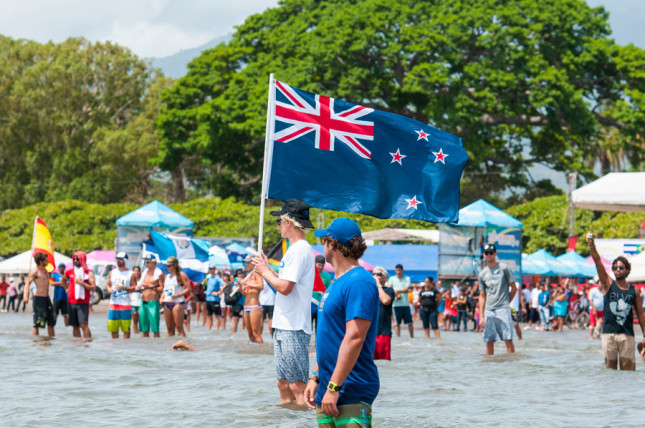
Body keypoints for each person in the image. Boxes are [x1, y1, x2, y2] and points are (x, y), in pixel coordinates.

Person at [304, 218, 379, 425]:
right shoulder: (336, 282)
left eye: (324, 240)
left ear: (333, 244)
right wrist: (315, 377)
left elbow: (354, 337)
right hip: (327, 389)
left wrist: (334, 387)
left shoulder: (359, 281)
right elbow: (329, 336)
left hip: (350, 388)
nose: (322, 246)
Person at [253, 198, 315, 406]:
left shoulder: (299, 250)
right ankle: (286, 421)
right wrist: (267, 269)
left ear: (288, 222)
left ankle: (302, 420)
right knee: (282, 382)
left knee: (297, 385)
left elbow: (285, 288)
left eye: (279, 221)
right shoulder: (294, 249)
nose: (279, 225)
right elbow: (284, 283)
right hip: (284, 323)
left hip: (294, 325)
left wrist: (264, 272)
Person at [587, 232, 645, 370]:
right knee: (610, 370)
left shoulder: (634, 291)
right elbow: (597, 261)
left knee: (628, 371)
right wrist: (591, 245)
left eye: (621, 268)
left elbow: (641, 314)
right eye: (615, 268)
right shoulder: (607, 284)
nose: (617, 270)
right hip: (609, 334)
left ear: (627, 270)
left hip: (627, 335)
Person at [478, 243, 517, 355]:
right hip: (489, 310)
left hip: (503, 308)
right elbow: (482, 295)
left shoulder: (504, 268)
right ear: (483, 255)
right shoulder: (482, 274)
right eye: (486, 253)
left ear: (495, 254)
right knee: (489, 340)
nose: (489, 255)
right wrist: (481, 316)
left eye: (491, 252)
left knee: (508, 339)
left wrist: (506, 302)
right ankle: (489, 366)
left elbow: (513, 288)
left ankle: (511, 363)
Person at [63, 251, 96, 338]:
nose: (75, 260)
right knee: (75, 326)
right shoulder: (69, 272)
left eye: (77, 259)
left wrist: (81, 283)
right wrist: (66, 289)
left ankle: (88, 344)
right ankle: (77, 347)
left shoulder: (89, 272)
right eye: (74, 259)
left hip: (83, 302)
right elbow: (63, 281)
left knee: (83, 325)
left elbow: (93, 287)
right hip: (71, 302)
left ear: (83, 260)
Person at [106, 252, 135, 339]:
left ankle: (125, 349)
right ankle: (115, 349)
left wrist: (124, 287)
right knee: (113, 329)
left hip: (125, 304)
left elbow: (134, 287)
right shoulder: (112, 272)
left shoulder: (131, 273)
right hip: (113, 304)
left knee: (126, 330)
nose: (118, 261)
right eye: (117, 259)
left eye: (120, 259)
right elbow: (107, 284)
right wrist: (108, 289)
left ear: (125, 261)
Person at [26, 253, 56, 336]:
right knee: (38, 322)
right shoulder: (35, 272)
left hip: (47, 298)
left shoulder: (45, 270)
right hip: (38, 298)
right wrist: (25, 296)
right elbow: (27, 284)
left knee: (51, 321)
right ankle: (36, 342)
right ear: (40, 261)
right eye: (45, 260)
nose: (47, 261)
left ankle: (52, 341)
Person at [161, 256, 191, 337]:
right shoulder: (167, 276)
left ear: (175, 265)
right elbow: (164, 289)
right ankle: (170, 347)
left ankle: (183, 345)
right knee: (169, 329)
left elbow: (188, 289)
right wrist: (161, 298)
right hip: (167, 302)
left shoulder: (182, 275)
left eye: (169, 266)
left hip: (177, 302)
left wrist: (178, 294)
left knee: (179, 328)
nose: (167, 267)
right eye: (167, 266)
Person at [136, 255, 164, 338]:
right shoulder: (144, 272)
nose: (146, 263)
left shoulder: (159, 273)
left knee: (155, 329)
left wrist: (150, 286)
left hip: (153, 302)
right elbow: (140, 285)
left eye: (148, 261)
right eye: (145, 261)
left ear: (154, 262)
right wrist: (139, 287)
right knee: (144, 329)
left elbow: (162, 288)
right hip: (143, 301)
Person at [239, 259, 264, 343]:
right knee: (250, 334)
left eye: (248, 262)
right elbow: (246, 294)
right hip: (246, 306)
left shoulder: (257, 273)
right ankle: (253, 355)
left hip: (255, 306)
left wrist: (246, 283)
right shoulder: (248, 275)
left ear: (253, 263)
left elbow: (261, 286)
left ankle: (262, 353)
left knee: (256, 333)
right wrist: (240, 287)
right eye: (246, 262)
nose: (247, 264)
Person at [372, 266, 395, 360]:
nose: (375, 276)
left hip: (383, 333)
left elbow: (385, 300)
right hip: (370, 333)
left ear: (385, 278)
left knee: (383, 361)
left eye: (378, 274)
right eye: (373, 274)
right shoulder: (370, 290)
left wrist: (378, 285)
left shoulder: (389, 290)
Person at [388, 264, 413, 338]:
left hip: (405, 304)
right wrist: (395, 294)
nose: (398, 272)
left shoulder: (407, 278)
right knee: (397, 323)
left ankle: (412, 337)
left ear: (402, 270)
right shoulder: (392, 278)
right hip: (395, 304)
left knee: (410, 322)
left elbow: (406, 289)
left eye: (399, 270)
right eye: (396, 270)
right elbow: (389, 288)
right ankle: (398, 337)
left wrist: (396, 291)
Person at [313, 255, 332, 333]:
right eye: (319, 265)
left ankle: (317, 344)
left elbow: (329, 290)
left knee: (319, 328)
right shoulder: (310, 273)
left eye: (322, 265)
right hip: (310, 304)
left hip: (320, 305)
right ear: (315, 264)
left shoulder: (327, 276)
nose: (320, 267)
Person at [204, 266, 223, 330]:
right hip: (208, 298)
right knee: (209, 315)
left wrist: (218, 293)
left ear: (214, 269)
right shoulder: (208, 277)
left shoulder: (217, 277)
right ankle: (209, 328)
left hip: (215, 299)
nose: (210, 270)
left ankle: (217, 329)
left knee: (217, 315)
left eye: (211, 269)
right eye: (209, 269)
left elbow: (223, 285)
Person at [130, 265, 142, 334]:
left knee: (141, 318)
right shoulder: (131, 281)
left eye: (137, 271)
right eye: (135, 271)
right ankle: (135, 332)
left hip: (141, 301)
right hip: (133, 302)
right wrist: (130, 295)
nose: (136, 272)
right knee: (134, 319)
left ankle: (141, 332)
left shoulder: (142, 279)